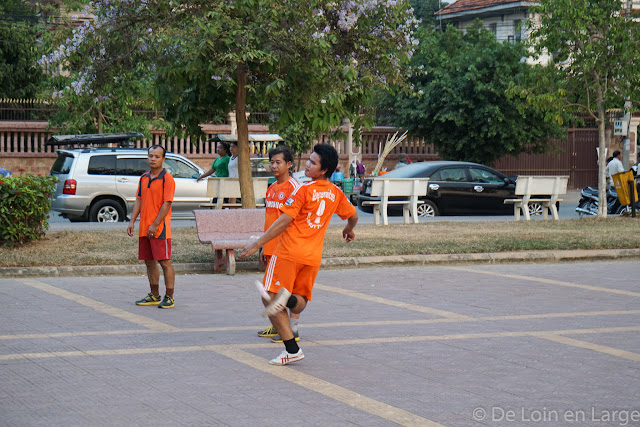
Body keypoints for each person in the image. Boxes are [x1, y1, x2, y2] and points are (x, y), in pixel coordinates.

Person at [239, 143, 358, 366]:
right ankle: (288, 300)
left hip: (288, 252)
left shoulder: (302, 190)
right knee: (299, 302)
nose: (308, 166)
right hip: (312, 257)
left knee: (269, 299)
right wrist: (349, 230)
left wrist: (258, 243)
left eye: (313, 163)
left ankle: (291, 349)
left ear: (323, 170)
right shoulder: (336, 193)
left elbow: (284, 221)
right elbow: (353, 216)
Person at [256, 146, 302, 343]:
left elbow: (291, 222)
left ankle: (293, 330)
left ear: (289, 164)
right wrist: (262, 245)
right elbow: (270, 221)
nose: (274, 166)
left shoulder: (295, 188)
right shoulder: (271, 189)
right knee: (272, 290)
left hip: (286, 249)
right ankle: (277, 325)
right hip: (270, 248)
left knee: (286, 290)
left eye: (278, 162)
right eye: (272, 162)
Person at [127, 145, 176, 309]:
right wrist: (132, 221)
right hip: (144, 228)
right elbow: (139, 200)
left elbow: (166, 204)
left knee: (164, 262)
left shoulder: (167, 179)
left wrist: (155, 225)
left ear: (163, 159)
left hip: (159, 229)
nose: (152, 159)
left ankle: (169, 297)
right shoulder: (143, 178)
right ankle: (154, 295)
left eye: (156, 156)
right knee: (149, 262)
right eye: (150, 156)